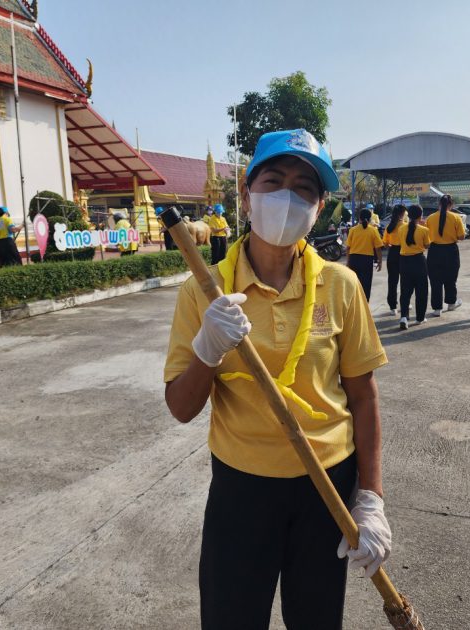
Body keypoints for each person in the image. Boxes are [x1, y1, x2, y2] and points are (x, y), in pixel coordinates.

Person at [163, 128, 391, 629]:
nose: (288, 197)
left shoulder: (341, 285)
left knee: (316, 621)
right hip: (242, 489)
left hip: (327, 487)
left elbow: (363, 397)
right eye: (274, 181)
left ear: (319, 207)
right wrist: (207, 349)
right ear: (247, 194)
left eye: (304, 188)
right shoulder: (204, 290)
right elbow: (180, 408)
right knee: (231, 619)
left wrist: (371, 498)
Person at [425, 193, 465, 316]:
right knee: (451, 279)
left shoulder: (430, 218)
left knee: (435, 280)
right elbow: (461, 236)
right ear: (451, 205)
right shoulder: (456, 217)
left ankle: (437, 309)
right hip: (451, 251)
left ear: (439, 204)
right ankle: (451, 303)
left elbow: (427, 236)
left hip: (434, 251)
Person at [397, 204, 430, 329]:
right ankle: (420, 317)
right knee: (421, 290)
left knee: (405, 290)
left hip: (404, 261)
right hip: (419, 260)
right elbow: (427, 245)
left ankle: (404, 317)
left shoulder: (401, 228)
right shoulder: (424, 230)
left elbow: (401, 243)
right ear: (420, 216)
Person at [347, 208, 384, 301]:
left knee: (353, 283)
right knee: (366, 285)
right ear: (370, 219)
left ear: (359, 218)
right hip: (366, 260)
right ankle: (365, 304)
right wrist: (380, 262)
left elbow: (348, 247)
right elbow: (378, 248)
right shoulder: (373, 230)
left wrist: (348, 261)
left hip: (353, 259)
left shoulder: (353, 230)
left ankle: (354, 303)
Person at [382, 204, 407, 315]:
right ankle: (405, 303)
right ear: (402, 214)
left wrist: (391, 246)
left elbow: (385, 243)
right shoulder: (405, 226)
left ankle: (393, 306)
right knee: (405, 281)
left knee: (392, 281)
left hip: (392, 253)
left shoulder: (389, 227)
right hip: (404, 253)